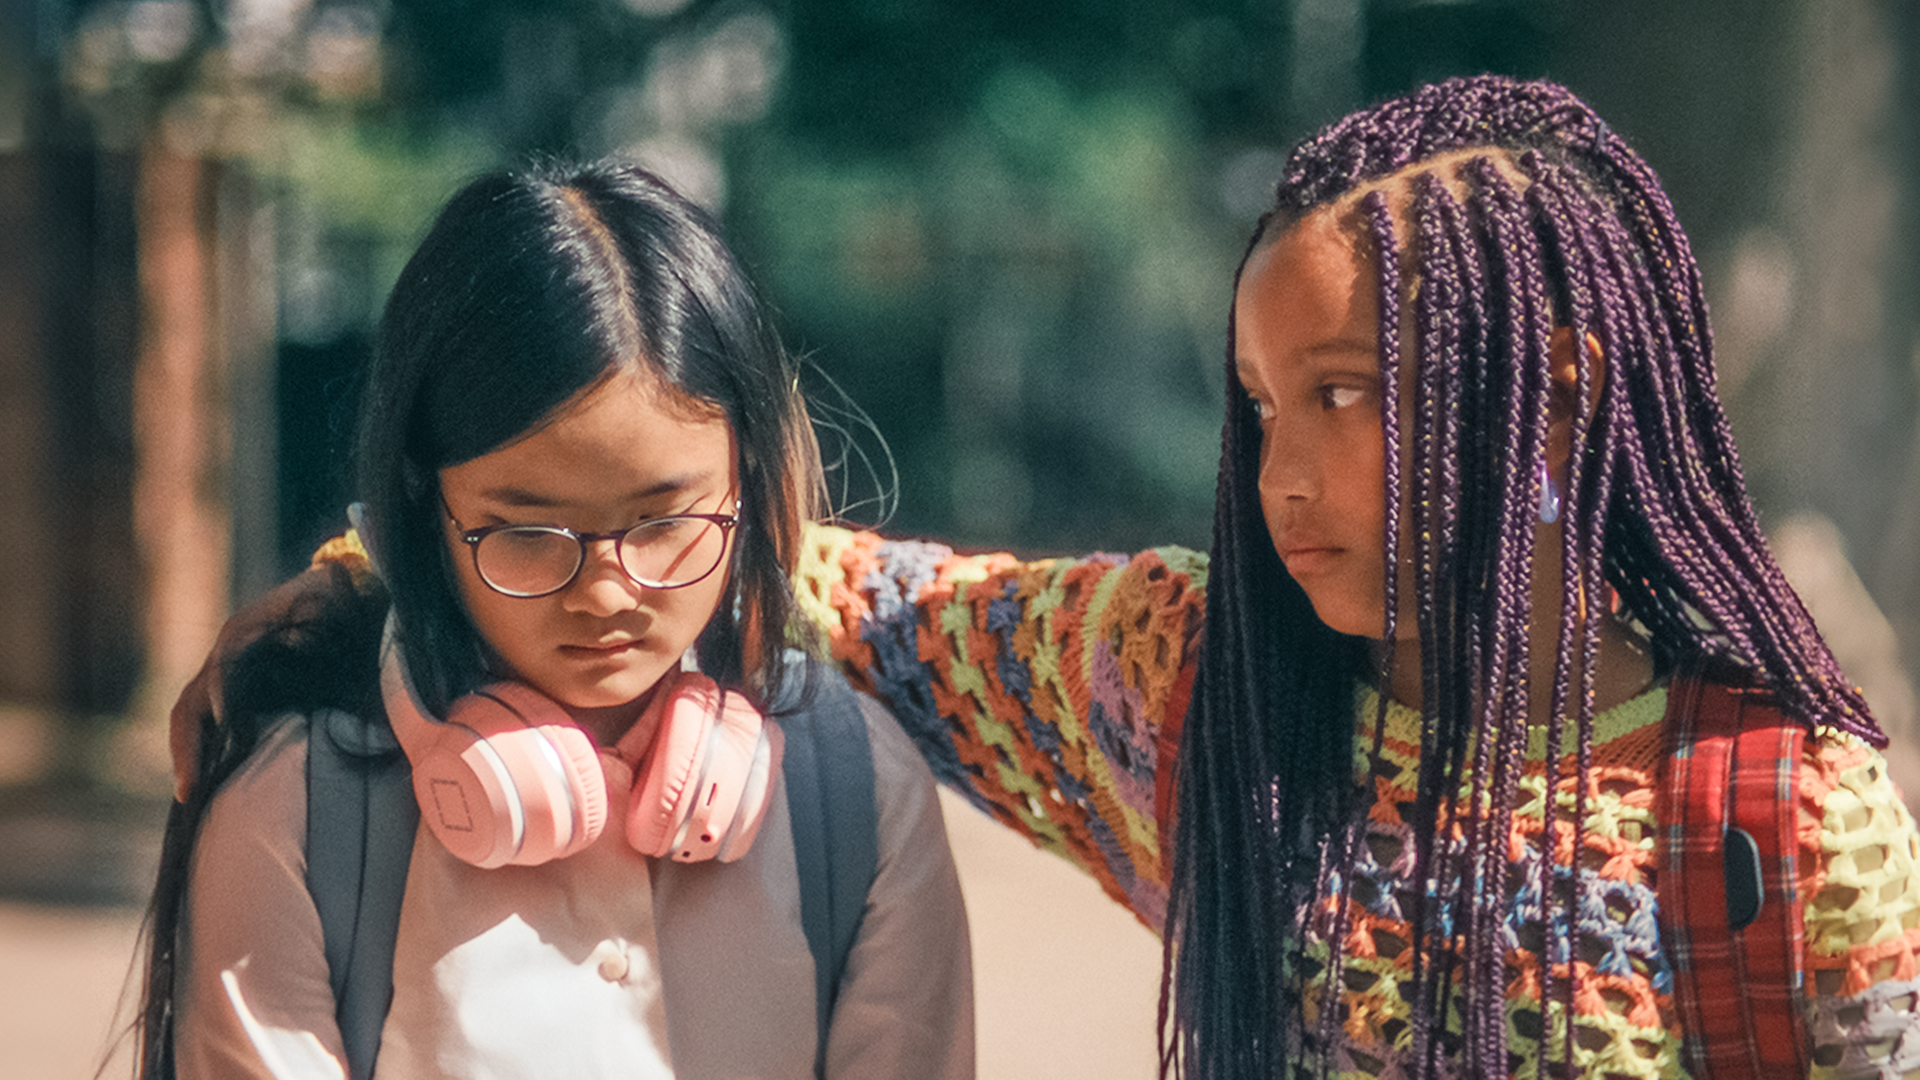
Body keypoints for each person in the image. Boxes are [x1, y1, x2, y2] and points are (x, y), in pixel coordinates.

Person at [168, 77, 1920, 1078]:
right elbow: (789, 561)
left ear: (1561, 385)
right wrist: (368, 574)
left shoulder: (1779, 820)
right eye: (1256, 402)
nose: (1280, 473)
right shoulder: (1190, 688)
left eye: (1344, 395)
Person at [137, 160, 972, 1080]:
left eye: (667, 522)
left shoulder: (858, 794)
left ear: (751, 482)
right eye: (526, 532)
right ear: (423, 506)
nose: (609, 593)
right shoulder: (295, 816)